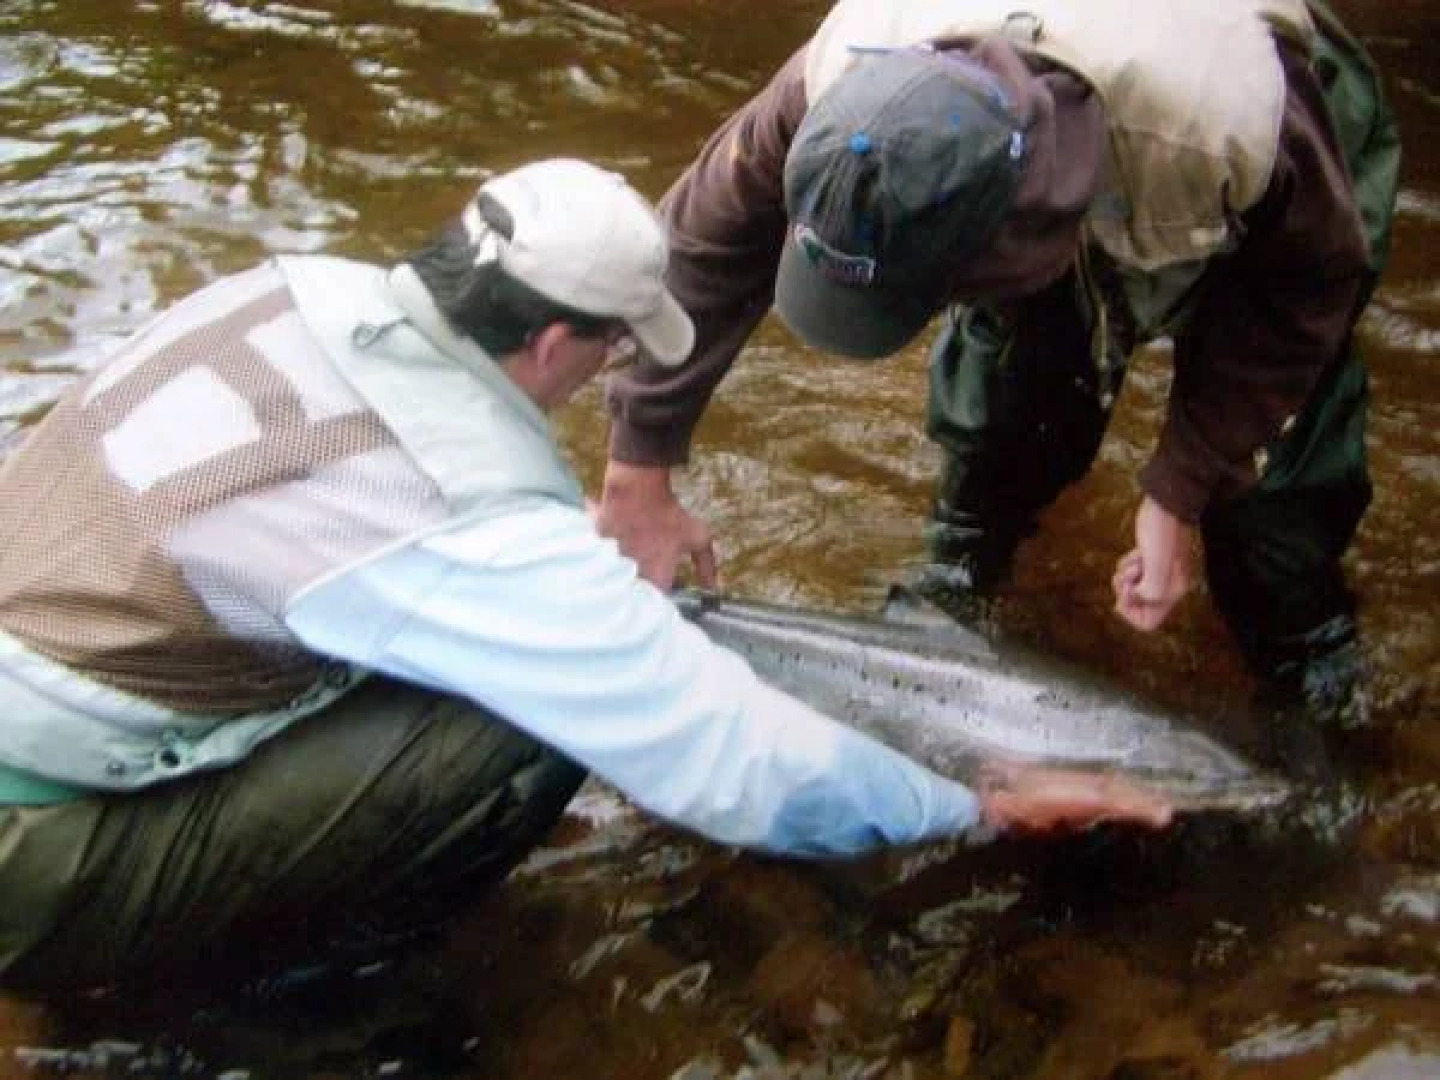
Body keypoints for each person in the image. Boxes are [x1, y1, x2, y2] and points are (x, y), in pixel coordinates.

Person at [0, 158, 1169, 996]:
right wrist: (975, 801)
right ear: (554, 345)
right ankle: (318, 996)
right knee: (531, 723)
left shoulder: (282, 290)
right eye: (615, 345)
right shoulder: (451, 496)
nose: (611, 369)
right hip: (27, 848)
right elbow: (730, 764)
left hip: (54, 685)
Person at [597, 0, 1401, 721]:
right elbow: (699, 252)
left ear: (1006, 235)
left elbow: (1301, 300)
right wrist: (638, 466)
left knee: (1269, 499)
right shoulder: (839, 90)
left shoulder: (1236, 121)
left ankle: (1315, 683)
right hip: (1021, 137)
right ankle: (962, 566)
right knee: (1011, 389)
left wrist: (1178, 489)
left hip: (1283, 154)